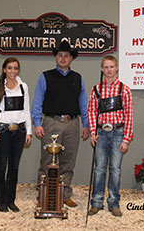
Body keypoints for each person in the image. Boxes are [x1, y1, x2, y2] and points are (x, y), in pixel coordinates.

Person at [31, 40, 90, 207]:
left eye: (66, 55)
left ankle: (64, 194)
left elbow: (83, 103)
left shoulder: (77, 78)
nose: (63, 58)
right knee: (47, 161)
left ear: (71, 58)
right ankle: (43, 194)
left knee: (68, 161)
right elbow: (37, 101)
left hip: (72, 123)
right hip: (51, 122)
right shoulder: (45, 76)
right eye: (60, 55)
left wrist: (86, 124)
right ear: (55, 57)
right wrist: (37, 122)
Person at [87, 55, 133, 217]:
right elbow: (91, 111)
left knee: (115, 169)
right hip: (101, 133)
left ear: (117, 68)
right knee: (99, 169)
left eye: (112, 66)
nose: (109, 70)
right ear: (102, 69)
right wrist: (93, 132)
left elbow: (129, 115)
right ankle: (96, 202)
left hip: (118, 133)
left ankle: (114, 202)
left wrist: (126, 139)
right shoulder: (96, 90)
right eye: (106, 67)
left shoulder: (124, 90)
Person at [0, 57, 32, 212]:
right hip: (3, 131)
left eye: (16, 68)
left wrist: (29, 131)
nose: (13, 71)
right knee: (1, 167)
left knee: (14, 167)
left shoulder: (23, 87)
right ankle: (0, 200)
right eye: (10, 68)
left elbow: (26, 111)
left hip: (19, 131)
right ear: (4, 69)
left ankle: (10, 199)